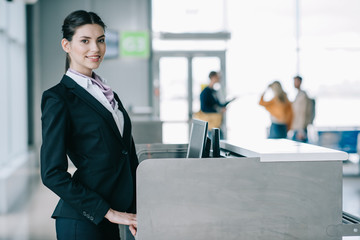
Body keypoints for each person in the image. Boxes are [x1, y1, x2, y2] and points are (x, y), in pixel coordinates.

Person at [40, 10, 138, 240]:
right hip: (85, 221)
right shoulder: (59, 98)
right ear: (66, 45)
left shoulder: (107, 93)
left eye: (100, 40)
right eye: (85, 41)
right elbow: (51, 173)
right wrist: (109, 212)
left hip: (118, 216)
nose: (95, 49)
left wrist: (135, 208)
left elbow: (126, 154)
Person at [290, 75, 310, 142]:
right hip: (296, 127)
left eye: (296, 81)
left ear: (300, 82)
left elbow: (303, 112)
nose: (294, 84)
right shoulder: (298, 95)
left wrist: (301, 130)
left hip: (300, 128)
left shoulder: (303, 95)